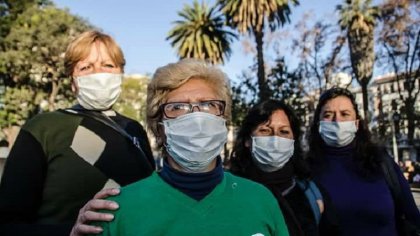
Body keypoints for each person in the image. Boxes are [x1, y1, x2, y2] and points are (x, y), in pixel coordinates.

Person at [86, 59, 289, 235]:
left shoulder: (260, 199)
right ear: (159, 128)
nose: (196, 116)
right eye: (177, 107)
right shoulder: (117, 210)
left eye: (208, 104)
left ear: (223, 119)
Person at [0, 31, 155, 235]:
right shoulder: (43, 127)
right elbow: (7, 223)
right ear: (73, 82)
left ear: (120, 74)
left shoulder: (134, 129)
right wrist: (69, 232)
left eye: (108, 65)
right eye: (86, 67)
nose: (98, 74)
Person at [307, 87, 420, 236]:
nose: (337, 120)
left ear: (356, 123)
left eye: (345, 114)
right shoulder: (306, 171)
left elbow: (413, 217)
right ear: (318, 123)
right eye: (328, 115)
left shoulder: (381, 162)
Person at [228, 99, 340, 236]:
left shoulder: (312, 194)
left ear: (293, 141)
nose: (275, 139)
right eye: (265, 130)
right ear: (247, 140)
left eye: (284, 131)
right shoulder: (229, 192)